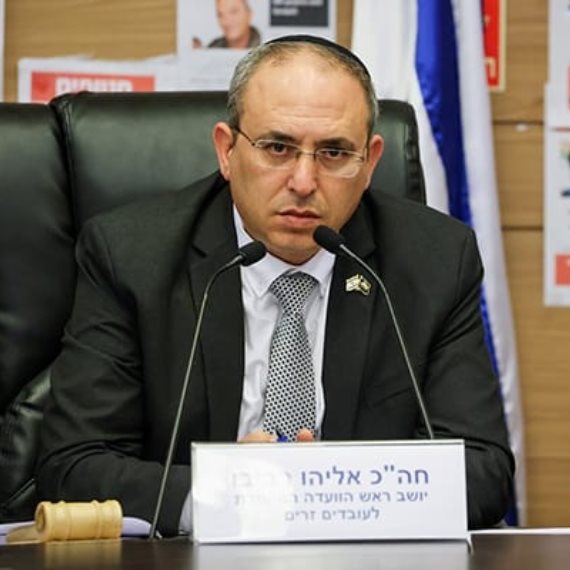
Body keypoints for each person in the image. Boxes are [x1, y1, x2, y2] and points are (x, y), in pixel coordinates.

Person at [37, 35, 514, 537]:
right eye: (277, 148)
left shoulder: (435, 260)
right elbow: (73, 465)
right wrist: (221, 492)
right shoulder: (132, 256)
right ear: (226, 150)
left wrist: (325, 493)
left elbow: (482, 470)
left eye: (334, 152)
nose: (303, 182)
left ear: (370, 162)